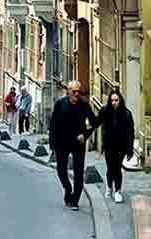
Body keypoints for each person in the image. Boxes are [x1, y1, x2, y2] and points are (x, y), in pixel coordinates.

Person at [49, 81, 98, 210]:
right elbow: (53, 124)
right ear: (68, 91)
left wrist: (85, 135)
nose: (77, 94)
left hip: (78, 143)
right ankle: (67, 187)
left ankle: (75, 200)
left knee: (78, 172)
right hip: (62, 142)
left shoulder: (84, 105)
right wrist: (52, 144)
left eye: (79, 91)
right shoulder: (60, 104)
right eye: (74, 91)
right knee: (61, 170)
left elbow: (94, 122)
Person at [98, 89, 135, 204]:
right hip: (109, 145)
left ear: (120, 101)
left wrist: (130, 149)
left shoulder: (126, 114)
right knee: (110, 168)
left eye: (116, 100)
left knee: (117, 168)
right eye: (112, 100)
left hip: (121, 146)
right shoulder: (105, 111)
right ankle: (109, 187)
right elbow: (98, 123)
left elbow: (130, 132)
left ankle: (118, 191)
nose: (114, 102)